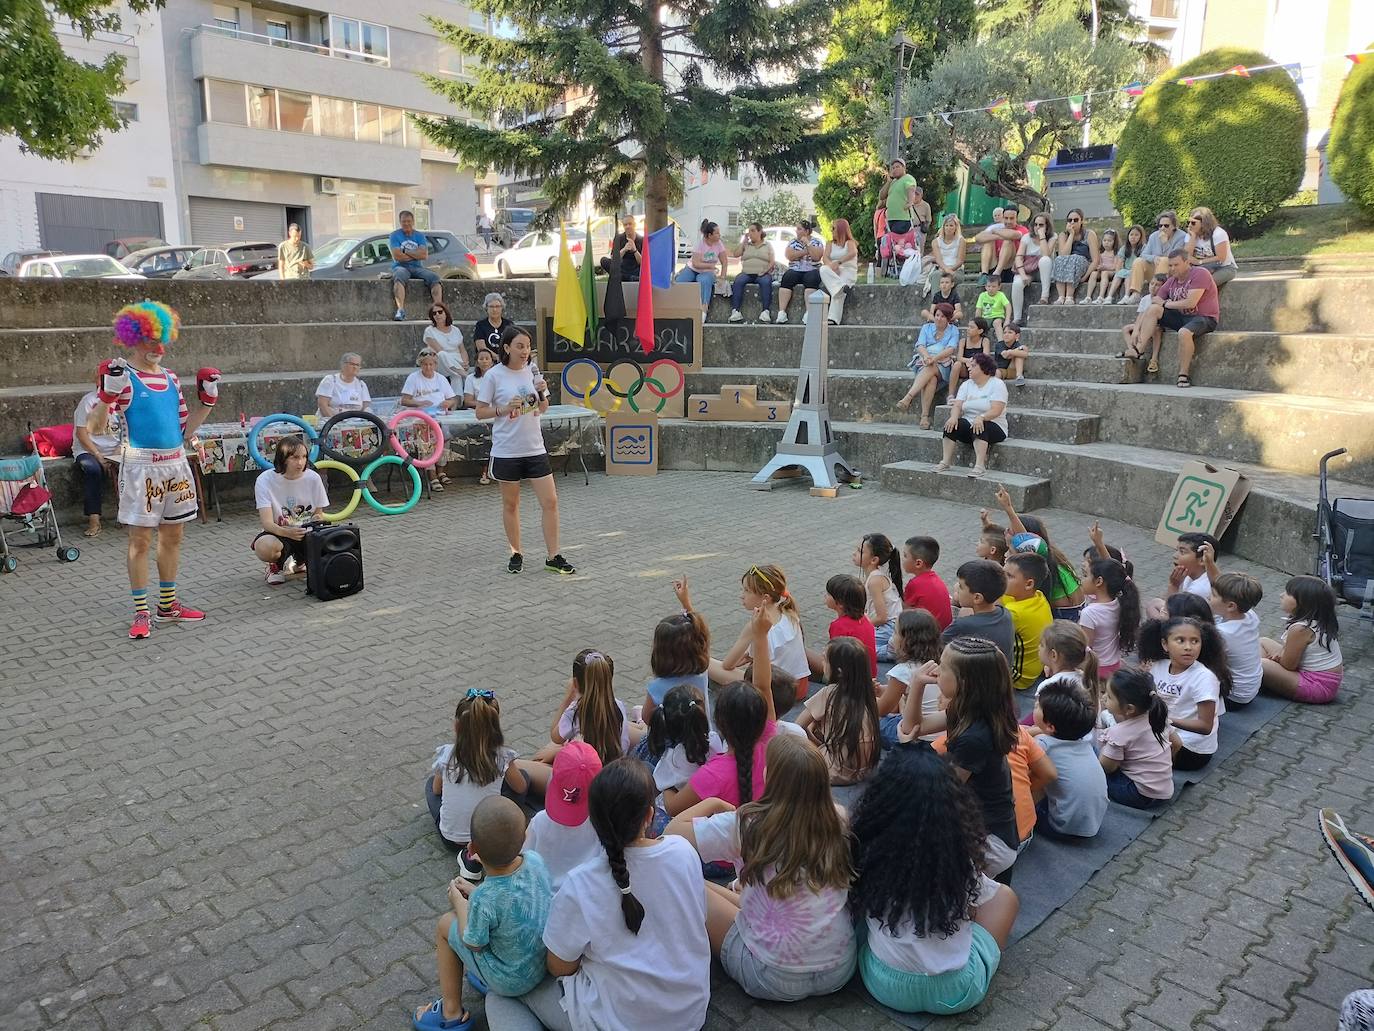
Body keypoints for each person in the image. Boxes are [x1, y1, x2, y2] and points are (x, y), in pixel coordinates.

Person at [485, 759, 710, 1031]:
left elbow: (559, 967)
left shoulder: (582, 883)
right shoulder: (683, 852)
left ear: (592, 819)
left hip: (617, 1021)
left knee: (501, 992)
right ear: (649, 816)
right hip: (688, 1015)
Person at [667, 734, 857, 1003]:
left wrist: (712, 803)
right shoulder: (839, 818)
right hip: (838, 969)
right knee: (712, 887)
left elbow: (672, 831)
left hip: (770, 975)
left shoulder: (748, 823)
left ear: (771, 777)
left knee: (686, 882)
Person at [850, 741, 1019, 1015]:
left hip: (882, 983)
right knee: (1006, 899)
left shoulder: (869, 849)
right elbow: (983, 899)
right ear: (952, 805)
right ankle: (980, 958)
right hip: (956, 992)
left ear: (880, 801)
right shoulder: (956, 858)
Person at [92, 301, 216, 639]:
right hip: (141, 467)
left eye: (161, 340)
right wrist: (106, 397)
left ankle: (167, 604)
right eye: (150, 341)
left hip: (175, 464)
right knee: (141, 541)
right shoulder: (123, 377)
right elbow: (97, 429)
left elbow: (183, 431)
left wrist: (206, 404)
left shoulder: (172, 377)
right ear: (134, 339)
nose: (157, 348)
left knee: (174, 536)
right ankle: (141, 612)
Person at [413, 796, 553, 1031]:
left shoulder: (484, 898)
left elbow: (474, 942)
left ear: (471, 849)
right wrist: (476, 894)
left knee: (446, 925)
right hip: (540, 963)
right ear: (524, 838)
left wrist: (460, 902)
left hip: (509, 980)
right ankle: (481, 977)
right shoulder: (536, 861)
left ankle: (451, 1013)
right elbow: (512, 900)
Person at [474, 325, 575, 575]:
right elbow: (479, 412)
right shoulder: (494, 376)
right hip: (507, 451)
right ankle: (516, 552)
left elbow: (543, 409)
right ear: (506, 348)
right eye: (520, 346)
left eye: (528, 347)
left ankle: (553, 556)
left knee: (550, 501)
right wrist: (504, 409)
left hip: (535, 449)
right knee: (511, 505)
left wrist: (542, 392)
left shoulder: (532, 372)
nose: (525, 351)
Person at [426, 689, 544, 879]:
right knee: (522, 777)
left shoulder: (447, 754)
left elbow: (436, 790)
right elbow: (521, 787)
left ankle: (461, 840)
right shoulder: (502, 756)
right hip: (488, 838)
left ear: (457, 727)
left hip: (451, 838)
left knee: (431, 784)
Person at [1139, 616, 1231, 772]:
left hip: (1191, 750)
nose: (1188, 647)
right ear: (1164, 644)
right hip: (1165, 732)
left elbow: (1205, 726)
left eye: (1195, 641)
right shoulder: (1158, 666)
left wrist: (1165, 720)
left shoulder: (1204, 678)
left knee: (1127, 744)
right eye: (1180, 640)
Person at [708, 563, 811, 700]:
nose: (742, 596)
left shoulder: (754, 626)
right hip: (800, 687)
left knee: (705, 662)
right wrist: (749, 657)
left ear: (765, 598)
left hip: (775, 693)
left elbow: (728, 665)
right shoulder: (789, 613)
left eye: (747, 591)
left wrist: (745, 659)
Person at [797, 636, 881, 784]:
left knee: (794, 736)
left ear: (840, 671)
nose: (822, 663)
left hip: (833, 771)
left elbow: (798, 726)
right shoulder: (867, 692)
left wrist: (814, 743)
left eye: (825, 660)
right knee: (818, 722)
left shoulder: (830, 692)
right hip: (863, 770)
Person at [523, 741, 603, 892]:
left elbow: (524, 859)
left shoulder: (540, 821)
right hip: (579, 900)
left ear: (553, 775)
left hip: (540, 898)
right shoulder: (601, 825)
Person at [1133, 251, 1220, 388]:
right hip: (1182, 317)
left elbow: (1190, 302)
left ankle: (1183, 375)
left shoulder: (1200, 274)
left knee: (1184, 333)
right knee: (1153, 309)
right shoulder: (1171, 280)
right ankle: (1138, 350)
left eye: (1176, 265)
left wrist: (1166, 303)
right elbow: (1155, 301)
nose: (1172, 268)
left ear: (1187, 262)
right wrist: (1136, 328)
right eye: (1170, 265)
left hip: (1204, 317)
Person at [251, 436, 329, 586]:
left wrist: (314, 527)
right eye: (295, 458)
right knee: (266, 547)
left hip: (306, 531)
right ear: (283, 458)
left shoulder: (314, 478)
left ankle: (301, 561)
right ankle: (274, 566)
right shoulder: (265, 480)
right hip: (278, 531)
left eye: (304, 457)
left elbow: (319, 514)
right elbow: (267, 522)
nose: (300, 462)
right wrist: (287, 532)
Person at [637, 576, 713, 725]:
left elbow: (648, 719)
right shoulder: (701, 676)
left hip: (667, 745)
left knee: (638, 718)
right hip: (702, 740)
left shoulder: (656, 687)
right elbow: (700, 635)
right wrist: (686, 603)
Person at [1260, 574, 1344, 704]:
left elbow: (1289, 665)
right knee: (1263, 641)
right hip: (1318, 678)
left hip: (1317, 686)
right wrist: (1280, 654)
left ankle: (1250, 681)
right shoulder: (1317, 620)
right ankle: (1256, 679)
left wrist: (1280, 656)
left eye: (1288, 593)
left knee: (1262, 664)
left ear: (1303, 602)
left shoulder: (1301, 629)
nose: (1281, 595)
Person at [1097, 669, 1174, 809]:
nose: (1103, 699)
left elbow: (1106, 768)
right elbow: (1178, 744)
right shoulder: (1158, 718)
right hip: (1164, 790)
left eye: (1108, 697)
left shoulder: (1119, 733)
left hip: (1137, 795)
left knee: (1093, 762)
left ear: (1129, 709)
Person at [538, 648, 628, 765]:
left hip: (584, 773)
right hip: (613, 770)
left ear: (575, 683)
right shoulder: (618, 706)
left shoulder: (575, 711)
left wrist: (567, 698)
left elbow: (555, 737)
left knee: (542, 756)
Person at [936, 353, 1008, 477]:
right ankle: (945, 461)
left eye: (973, 366)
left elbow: (997, 410)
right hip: (970, 424)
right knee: (952, 424)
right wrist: (953, 417)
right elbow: (957, 405)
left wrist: (981, 417)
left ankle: (980, 466)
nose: (969, 367)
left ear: (984, 368)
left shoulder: (997, 384)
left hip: (995, 426)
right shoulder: (966, 385)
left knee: (980, 424)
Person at [877, 609, 942, 745]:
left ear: (907, 641)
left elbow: (881, 710)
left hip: (917, 738)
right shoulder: (940, 663)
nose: (891, 637)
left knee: (869, 720)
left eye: (895, 632)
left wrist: (863, 697)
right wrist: (881, 690)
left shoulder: (903, 671)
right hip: (940, 732)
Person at [72, 370, 122, 537]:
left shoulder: (124, 401)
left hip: (117, 449)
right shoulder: (88, 401)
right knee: (92, 470)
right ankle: (94, 520)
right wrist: (99, 456)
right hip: (88, 450)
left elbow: (132, 430)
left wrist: (119, 449)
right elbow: (81, 434)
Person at [897, 302, 960, 429]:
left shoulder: (953, 330)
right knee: (931, 379)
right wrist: (926, 357)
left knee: (931, 368)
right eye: (937, 315)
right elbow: (920, 345)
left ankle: (908, 397)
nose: (938, 318)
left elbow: (951, 349)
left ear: (948, 318)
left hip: (943, 363)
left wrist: (935, 358)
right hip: (925, 361)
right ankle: (924, 417)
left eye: (942, 316)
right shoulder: (926, 328)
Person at [402, 348, 457, 491]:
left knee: (445, 440)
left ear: (435, 365)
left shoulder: (441, 378)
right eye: (425, 365)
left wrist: (448, 403)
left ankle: (441, 471)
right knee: (427, 443)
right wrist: (419, 403)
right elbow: (405, 400)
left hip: (439, 415)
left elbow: (452, 398)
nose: (428, 367)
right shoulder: (413, 378)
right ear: (420, 365)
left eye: (431, 364)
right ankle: (431, 475)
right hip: (421, 418)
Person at [940, 559, 1014, 664]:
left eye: (961, 587)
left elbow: (936, 647)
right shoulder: (1005, 613)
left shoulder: (962, 625)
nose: (956, 588)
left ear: (977, 598)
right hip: (1002, 677)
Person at [1079, 556, 1140, 683]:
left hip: (1096, 669)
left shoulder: (1089, 613)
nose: (1082, 580)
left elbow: (1086, 649)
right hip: (1114, 664)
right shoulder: (1120, 603)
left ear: (1099, 581)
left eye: (1086, 576)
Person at [1001, 552, 1054, 691]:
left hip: (1020, 677)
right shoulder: (1038, 596)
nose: (1002, 578)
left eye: (1009, 576)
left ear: (1029, 583)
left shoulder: (1015, 613)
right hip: (1038, 666)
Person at [1209, 571, 1264, 706]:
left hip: (1233, 697)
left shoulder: (1223, 633)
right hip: (1250, 689)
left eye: (1213, 595)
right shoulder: (1250, 616)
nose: (1208, 597)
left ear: (1231, 606)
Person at [811, 573, 878, 679]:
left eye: (829, 594)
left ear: (840, 603)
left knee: (804, 654)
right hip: (869, 676)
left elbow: (834, 659)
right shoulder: (865, 620)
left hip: (848, 681)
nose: (825, 595)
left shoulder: (839, 626)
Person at [855, 532, 904, 661]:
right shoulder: (873, 577)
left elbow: (882, 617)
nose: (854, 554)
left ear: (874, 560)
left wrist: (861, 626)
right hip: (885, 625)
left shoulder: (875, 581)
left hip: (889, 627)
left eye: (860, 551)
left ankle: (892, 650)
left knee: (858, 649)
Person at [389, 209, 442, 321]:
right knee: (399, 276)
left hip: (417, 267)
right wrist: (415, 254)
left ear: (413, 222)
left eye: (408, 221)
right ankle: (400, 310)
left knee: (434, 278)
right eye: (404, 221)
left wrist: (405, 251)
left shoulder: (419, 236)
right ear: (400, 222)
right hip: (401, 266)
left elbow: (423, 255)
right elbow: (397, 256)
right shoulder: (394, 235)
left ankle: (439, 309)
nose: (406, 224)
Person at [1124, 209, 1186, 303]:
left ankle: (1160, 295)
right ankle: (1135, 294)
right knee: (1138, 261)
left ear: (1173, 226)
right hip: (1154, 271)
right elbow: (1143, 254)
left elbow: (1175, 257)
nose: (1162, 228)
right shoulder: (1154, 236)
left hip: (1170, 272)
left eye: (1166, 225)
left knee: (1164, 260)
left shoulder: (1181, 236)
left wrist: (1165, 242)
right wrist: (1154, 258)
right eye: (1160, 226)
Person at [675, 219, 729, 317]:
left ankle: (704, 308)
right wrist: (711, 265)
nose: (719, 235)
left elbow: (724, 261)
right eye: (717, 233)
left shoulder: (719, 244)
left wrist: (723, 276)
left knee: (703, 280)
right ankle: (679, 307)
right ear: (709, 235)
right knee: (680, 282)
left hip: (708, 272)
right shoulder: (700, 244)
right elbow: (696, 263)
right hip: (693, 269)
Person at [775, 220, 824, 323]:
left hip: (812, 269)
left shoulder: (816, 242)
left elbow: (816, 256)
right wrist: (806, 251)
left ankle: (808, 313)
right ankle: (782, 312)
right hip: (795, 269)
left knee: (811, 280)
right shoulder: (793, 242)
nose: (796, 231)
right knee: (787, 278)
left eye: (799, 229)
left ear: (806, 231)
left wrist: (808, 244)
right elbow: (789, 256)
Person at [728, 222, 776, 323]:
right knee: (738, 281)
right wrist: (743, 242)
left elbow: (772, 261)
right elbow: (736, 254)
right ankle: (736, 311)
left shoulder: (767, 245)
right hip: (746, 272)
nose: (750, 233)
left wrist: (765, 270)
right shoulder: (746, 245)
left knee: (766, 282)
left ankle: (765, 311)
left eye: (753, 231)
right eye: (749, 231)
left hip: (762, 273)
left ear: (759, 232)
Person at [1050, 208, 1098, 305]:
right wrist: (1071, 235)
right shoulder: (1063, 235)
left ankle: (1069, 296)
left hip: (1082, 263)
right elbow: (1063, 255)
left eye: (1075, 220)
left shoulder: (1089, 234)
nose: (1072, 222)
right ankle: (1061, 297)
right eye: (1069, 220)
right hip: (1067, 264)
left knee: (1075, 258)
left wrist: (1085, 277)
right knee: (1059, 259)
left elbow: (1096, 260)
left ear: (1081, 221)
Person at [902, 535, 952, 629]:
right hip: (944, 630)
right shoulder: (936, 579)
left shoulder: (914, 584)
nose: (902, 559)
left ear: (918, 563)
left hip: (928, 636)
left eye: (905, 556)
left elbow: (904, 612)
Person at [1010, 214, 1053, 322]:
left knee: (1045, 260)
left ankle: (1044, 297)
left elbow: (1046, 253)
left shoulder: (1053, 237)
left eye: (1041, 225)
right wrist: (1023, 276)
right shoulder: (1026, 237)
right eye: (1036, 224)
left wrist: (1042, 236)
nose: (1037, 227)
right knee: (1017, 284)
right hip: (1027, 270)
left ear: (1047, 226)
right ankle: (1017, 319)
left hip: (1042, 272)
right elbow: (1018, 258)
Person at [817, 218, 859, 325]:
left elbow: (852, 253)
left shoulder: (850, 243)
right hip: (833, 272)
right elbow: (825, 258)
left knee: (837, 290)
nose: (831, 231)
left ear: (840, 229)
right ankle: (841, 288)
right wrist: (832, 266)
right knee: (823, 269)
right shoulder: (830, 244)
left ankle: (833, 318)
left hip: (847, 271)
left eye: (833, 228)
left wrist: (838, 262)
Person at [1185, 207, 1237, 288]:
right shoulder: (1191, 234)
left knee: (1204, 284)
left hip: (1224, 267)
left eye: (1193, 223)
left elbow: (1221, 258)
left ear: (1204, 223)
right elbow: (1186, 256)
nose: (1190, 226)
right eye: (1188, 222)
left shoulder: (1218, 233)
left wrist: (1199, 262)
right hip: (1202, 268)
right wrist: (1192, 238)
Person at [975, 206, 1028, 286]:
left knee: (1008, 241)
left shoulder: (1022, 229)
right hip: (994, 264)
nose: (1008, 221)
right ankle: (984, 274)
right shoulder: (998, 228)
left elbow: (1013, 235)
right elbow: (978, 238)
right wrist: (997, 236)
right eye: (1006, 218)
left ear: (1016, 218)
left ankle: (997, 274)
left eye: (1011, 218)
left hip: (1011, 267)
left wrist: (994, 232)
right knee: (988, 242)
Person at [425, 303, 468, 396]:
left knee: (456, 376)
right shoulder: (429, 331)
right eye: (434, 313)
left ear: (446, 313)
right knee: (442, 354)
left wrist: (465, 362)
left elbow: (462, 350)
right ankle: (465, 375)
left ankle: (457, 402)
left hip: (457, 362)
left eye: (440, 312)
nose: (437, 315)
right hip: (440, 362)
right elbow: (438, 349)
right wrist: (460, 367)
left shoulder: (455, 330)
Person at [314, 353, 372, 420]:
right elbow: (322, 405)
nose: (355, 367)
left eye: (357, 365)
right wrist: (334, 422)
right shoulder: (330, 380)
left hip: (355, 424)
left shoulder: (361, 385)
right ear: (343, 365)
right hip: (331, 422)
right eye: (352, 364)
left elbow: (365, 408)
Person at [922, 214, 967, 297]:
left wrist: (950, 270)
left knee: (946, 279)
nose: (948, 228)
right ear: (943, 227)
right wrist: (946, 269)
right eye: (946, 226)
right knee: (937, 276)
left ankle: (946, 305)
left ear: (956, 227)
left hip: (956, 271)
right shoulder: (935, 242)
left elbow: (960, 261)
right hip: (941, 269)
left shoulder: (961, 241)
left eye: (951, 226)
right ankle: (936, 304)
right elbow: (938, 260)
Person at [947, 316, 990, 399]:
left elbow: (986, 356)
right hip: (965, 368)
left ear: (980, 331)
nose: (968, 329)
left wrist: (974, 362)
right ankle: (950, 395)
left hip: (978, 367)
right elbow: (959, 357)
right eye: (968, 326)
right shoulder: (963, 341)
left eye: (972, 327)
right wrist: (968, 360)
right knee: (957, 364)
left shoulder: (984, 341)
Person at [600, 214, 644, 282]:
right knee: (604, 260)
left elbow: (643, 262)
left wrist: (635, 250)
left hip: (635, 268)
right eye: (625, 225)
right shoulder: (618, 238)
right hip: (622, 266)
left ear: (634, 225)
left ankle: (625, 277)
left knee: (646, 267)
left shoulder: (641, 239)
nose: (628, 226)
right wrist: (624, 249)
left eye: (630, 224)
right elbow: (614, 258)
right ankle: (630, 278)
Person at [884, 159, 919, 237]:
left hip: (903, 218)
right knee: (892, 243)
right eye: (893, 168)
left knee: (900, 243)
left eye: (897, 167)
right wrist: (888, 182)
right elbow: (882, 196)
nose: (895, 169)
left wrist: (910, 202)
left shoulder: (908, 178)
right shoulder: (893, 182)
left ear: (904, 168)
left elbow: (911, 189)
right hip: (891, 218)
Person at [1089, 228, 1123, 304]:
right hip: (1102, 271)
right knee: (1093, 273)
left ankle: (1101, 297)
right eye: (1104, 240)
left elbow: (1115, 267)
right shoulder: (1100, 253)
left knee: (1105, 273)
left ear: (1114, 242)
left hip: (1112, 272)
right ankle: (1088, 297)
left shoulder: (1115, 253)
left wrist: (1105, 268)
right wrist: (1099, 268)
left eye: (1109, 241)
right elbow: (1099, 264)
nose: (1106, 243)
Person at [1114, 225, 1147, 303]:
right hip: (1126, 270)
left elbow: (1144, 263)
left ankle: (1126, 296)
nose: (1133, 237)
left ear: (1141, 237)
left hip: (1138, 272)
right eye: (1131, 234)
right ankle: (1109, 296)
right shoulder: (1124, 248)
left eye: (1136, 235)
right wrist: (1118, 272)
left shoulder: (1144, 248)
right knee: (1118, 275)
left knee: (1129, 275)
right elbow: (1119, 263)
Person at [974, 275, 1011, 340]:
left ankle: (1001, 341)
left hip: (997, 316)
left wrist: (1007, 319)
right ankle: (980, 342)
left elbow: (1008, 306)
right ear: (985, 287)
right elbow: (979, 309)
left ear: (999, 287)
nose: (991, 289)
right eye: (989, 286)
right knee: (980, 327)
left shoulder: (1001, 295)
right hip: (985, 317)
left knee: (997, 323)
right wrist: (977, 320)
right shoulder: (982, 295)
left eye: (994, 286)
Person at [993, 322, 1028, 386]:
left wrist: (1010, 352)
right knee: (996, 372)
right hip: (1001, 370)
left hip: (1012, 370)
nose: (1006, 334)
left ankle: (1019, 376)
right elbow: (1005, 356)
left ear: (1017, 336)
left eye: (1010, 332)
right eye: (1004, 332)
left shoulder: (1017, 344)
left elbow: (1025, 354)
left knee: (1019, 355)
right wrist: (1014, 351)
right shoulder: (999, 345)